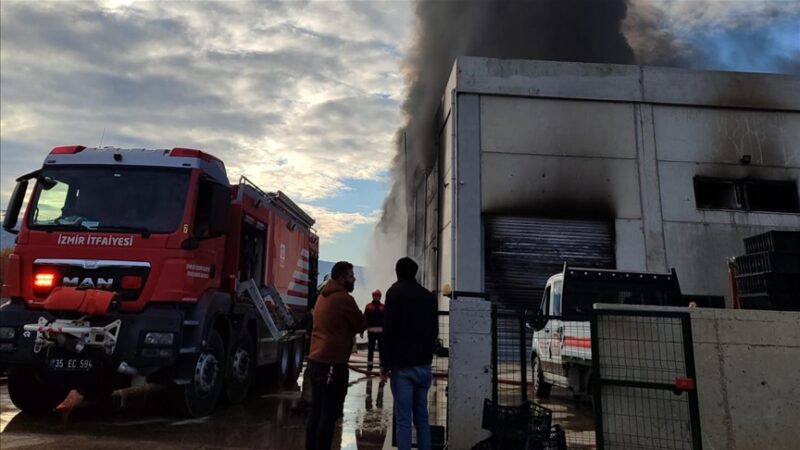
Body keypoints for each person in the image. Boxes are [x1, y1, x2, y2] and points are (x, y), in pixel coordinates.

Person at [306, 262, 367, 450]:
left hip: (316, 362)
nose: (354, 278)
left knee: (316, 411)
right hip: (332, 364)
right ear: (341, 277)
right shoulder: (343, 299)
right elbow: (360, 323)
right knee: (329, 413)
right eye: (351, 276)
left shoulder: (322, 297)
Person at [381, 257, 438, 450]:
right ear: (415, 272)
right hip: (423, 365)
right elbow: (434, 331)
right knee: (422, 417)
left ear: (398, 272)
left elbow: (389, 331)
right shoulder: (429, 297)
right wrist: (428, 355)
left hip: (402, 367)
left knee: (404, 419)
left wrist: (385, 363)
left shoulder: (394, 293)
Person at [362, 289, 385, 372]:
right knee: (370, 349)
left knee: (382, 350)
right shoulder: (368, 307)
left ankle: (382, 366)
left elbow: (387, 320)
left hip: (381, 332)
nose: (376, 297)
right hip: (371, 332)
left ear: (380, 297)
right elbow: (365, 319)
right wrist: (362, 330)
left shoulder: (383, 307)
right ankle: (369, 366)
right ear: (373, 296)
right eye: (375, 296)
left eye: (378, 296)